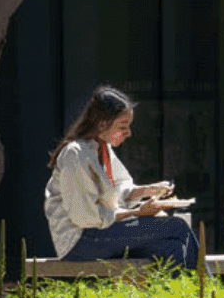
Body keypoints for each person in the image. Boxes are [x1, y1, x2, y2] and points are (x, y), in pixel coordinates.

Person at [43, 86, 200, 269]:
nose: (129, 133)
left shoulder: (104, 149)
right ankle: (206, 289)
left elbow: (121, 190)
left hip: (101, 233)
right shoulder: (75, 154)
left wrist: (149, 190)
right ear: (102, 124)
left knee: (173, 247)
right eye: (123, 127)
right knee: (177, 226)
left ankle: (183, 295)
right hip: (80, 241)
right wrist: (137, 213)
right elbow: (85, 218)